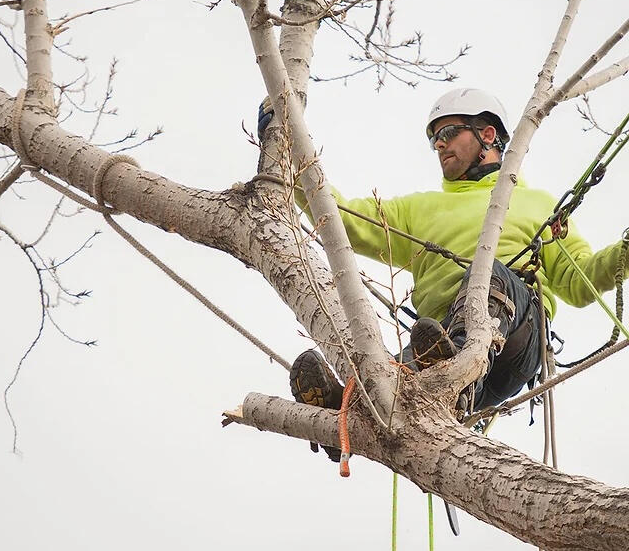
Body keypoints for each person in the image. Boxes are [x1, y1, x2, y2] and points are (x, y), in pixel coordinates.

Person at [259, 88, 628, 459]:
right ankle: (346, 415)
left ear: (487, 135)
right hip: (434, 343)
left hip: (513, 340)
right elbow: (340, 218)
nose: (439, 145)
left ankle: (454, 375)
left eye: (449, 133)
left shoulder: (539, 205)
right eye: (434, 139)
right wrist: (289, 154)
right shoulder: (421, 209)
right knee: (386, 383)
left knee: (488, 274)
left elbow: (580, 281)